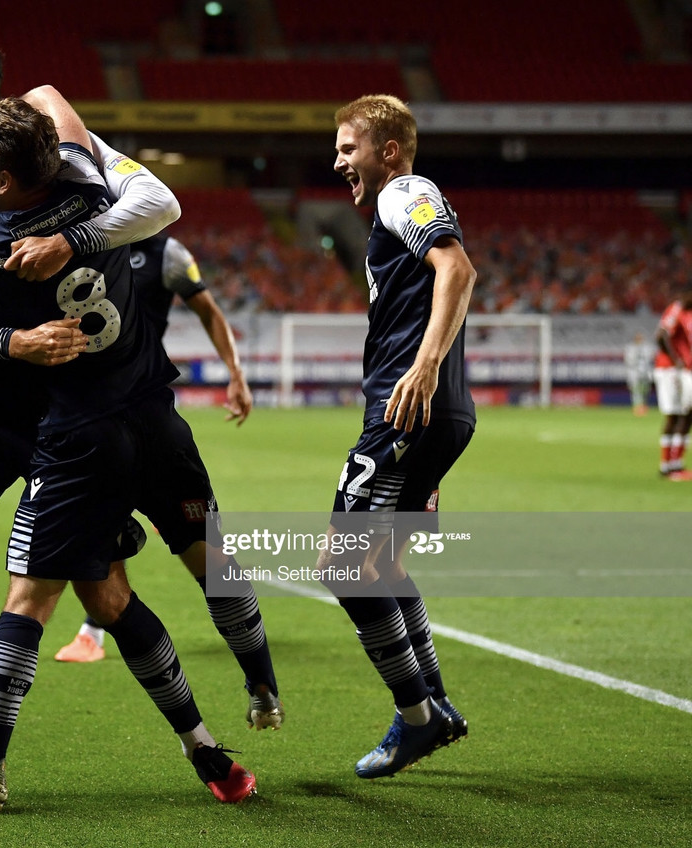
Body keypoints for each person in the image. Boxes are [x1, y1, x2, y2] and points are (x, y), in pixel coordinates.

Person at [0, 33, 279, 805]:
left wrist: (71, 239)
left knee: (101, 597)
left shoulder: (59, 136)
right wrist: (13, 340)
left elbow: (151, 205)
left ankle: (207, 754)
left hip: (77, 412)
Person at [314, 94, 475, 779]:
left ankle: (417, 717)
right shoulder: (398, 201)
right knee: (381, 563)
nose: (338, 161)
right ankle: (433, 701)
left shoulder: (402, 191)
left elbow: (458, 268)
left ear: (387, 151)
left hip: (406, 411)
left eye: (349, 148)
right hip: (433, 413)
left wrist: (425, 365)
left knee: (343, 566)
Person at [54, 231, 253, 663]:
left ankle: (238, 618)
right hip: (84, 407)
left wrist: (235, 374)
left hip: (144, 404)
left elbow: (209, 311)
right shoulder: (73, 245)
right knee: (105, 515)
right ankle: (95, 627)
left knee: (181, 525)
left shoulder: (168, 255)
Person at [653, 295, 692, 479]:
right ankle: (670, 466)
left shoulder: (684, 311)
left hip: (678, 370)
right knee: (676, 415)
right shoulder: (677, 309)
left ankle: (673, 465)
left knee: (683, 415)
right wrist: (676, 361)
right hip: (670, 370)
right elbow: (661, 335)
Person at [624, 330, 654, 417]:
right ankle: (637, 407)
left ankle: (644, 406)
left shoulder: (647, 348)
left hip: (645, 372)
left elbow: (650, 358)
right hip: (634, 373)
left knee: (645, 390)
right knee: (636, 390)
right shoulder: (630, 347)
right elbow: (629, 360)